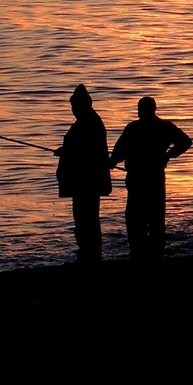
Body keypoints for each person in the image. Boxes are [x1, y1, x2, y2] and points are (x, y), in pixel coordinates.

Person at [109, 96, 191, 261]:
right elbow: (185, 142)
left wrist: (109, 163)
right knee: (156, 220)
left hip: (138, 180)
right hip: (155, 180)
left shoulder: (133, 128)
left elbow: (118, 152)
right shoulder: (164, 127)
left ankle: (139, 255)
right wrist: (169, 155)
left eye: (140, 109)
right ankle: (156, 256)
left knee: (135, 220)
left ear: (141, 111)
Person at [54, 84, 112, 263]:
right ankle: (89, 252)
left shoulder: (89, 122)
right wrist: (66, 150)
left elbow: (86, 151)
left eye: (74, 105)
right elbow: (80, 148)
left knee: (86, 218)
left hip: (86, 180)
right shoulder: (88, 121)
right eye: (72, 106)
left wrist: (66, 152)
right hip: (85, 180)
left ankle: (90, 254)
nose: (73, 109)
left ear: (83, 104)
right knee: (86, 218)